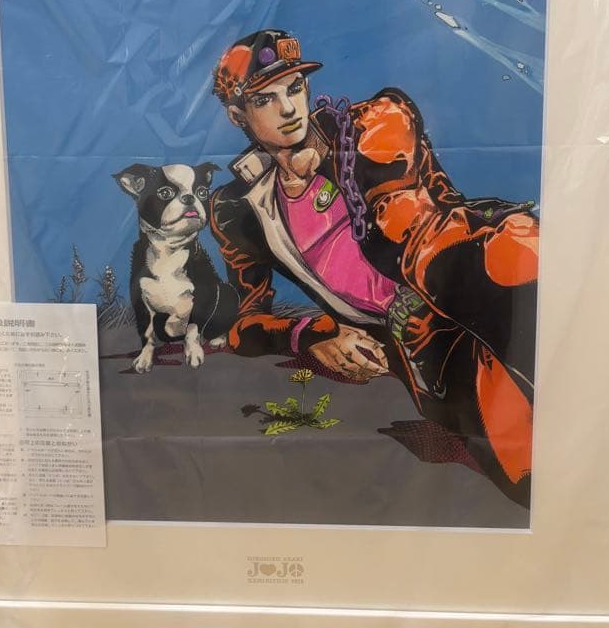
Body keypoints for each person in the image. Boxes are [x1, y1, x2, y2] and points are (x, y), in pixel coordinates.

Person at [209, 29, 538, 502]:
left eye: (295, 88)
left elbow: (411, 227)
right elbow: (244, 326)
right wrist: (315, 334)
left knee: (517, 267)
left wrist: (332, 164)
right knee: (529, 474)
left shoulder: (372, 125)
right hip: (423, 347)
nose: (288, 108)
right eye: (265, 99)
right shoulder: (239, 209)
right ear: (237, 115)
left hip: (474, 271)